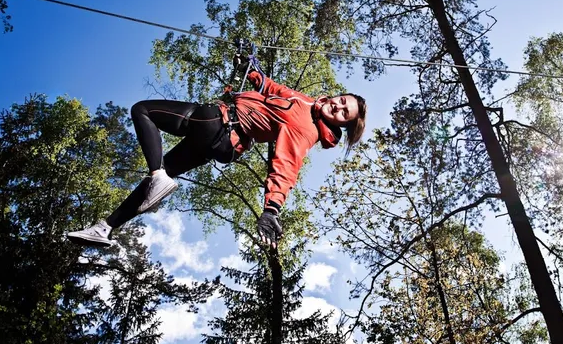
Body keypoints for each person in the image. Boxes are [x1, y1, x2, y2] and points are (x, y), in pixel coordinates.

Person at [67, 68, 366, 249]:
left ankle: (157, 176)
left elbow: (287, 164)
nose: (337, 108)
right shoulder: (306, 102)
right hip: (221, 141)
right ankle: (105, 227)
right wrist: (252, 71)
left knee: (142, 110)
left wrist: (271, 208)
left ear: (342, 125)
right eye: (342, 101)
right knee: (162, 173)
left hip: (218, 122)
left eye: (343, 114)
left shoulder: (306, 129)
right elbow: (273, 88)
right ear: (337, 95)